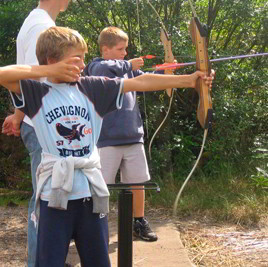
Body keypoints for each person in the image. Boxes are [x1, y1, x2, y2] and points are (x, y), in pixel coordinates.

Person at [0, 26, 214, 266]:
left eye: (83, 57)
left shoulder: (91, 87)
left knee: (98, 261)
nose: (83, 64)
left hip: (91, 196)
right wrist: (47, 71)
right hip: (54, 197)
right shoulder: (36, 91)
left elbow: (139, 81)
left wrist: (189, 80)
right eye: (76, 58)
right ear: (51, 60)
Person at [1, 1, 71, 265]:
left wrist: (18, 115)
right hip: (42, 126)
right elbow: (29, 77)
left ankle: (47, 259)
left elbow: (29, 77)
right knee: (45, 200)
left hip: (40, 122)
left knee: (51, 199)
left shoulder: (39, 20)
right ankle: (41, 262)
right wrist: (20, 115)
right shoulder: (42, 24)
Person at [84, 26, 165, 241]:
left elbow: (147, 78)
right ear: (105, 49)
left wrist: (167, 71)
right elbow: (102, 71)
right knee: (100, 186)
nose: (124, 53)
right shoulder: (96, 67)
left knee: (137, 183)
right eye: (120, 49)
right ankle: (92, 227)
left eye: (125, 49)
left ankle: (138, 222)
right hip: (107, 140)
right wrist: (128, 64)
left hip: (133, 137)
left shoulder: (126, 69)